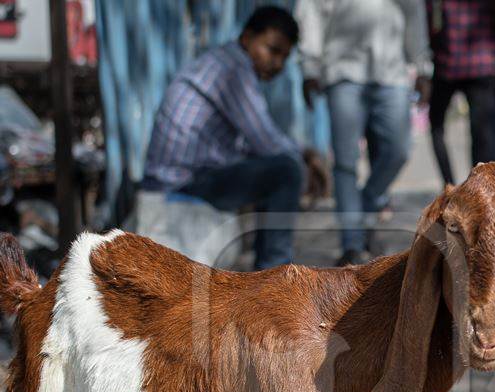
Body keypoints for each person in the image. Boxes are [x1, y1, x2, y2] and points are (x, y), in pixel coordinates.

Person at [142, 7, 327, 270]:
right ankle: (275, 277)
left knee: (279, 166)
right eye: (272, 50)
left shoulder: (224, 62)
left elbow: (255, 142)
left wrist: (304, 153)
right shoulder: (233, 70)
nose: (277, 64)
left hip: (187, 177)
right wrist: (306, 161)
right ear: (247, 37)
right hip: (182, 183)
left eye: (284, 57)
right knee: (286, 171)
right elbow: (266, 140)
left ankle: (268, 271)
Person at [296, 0, 430, 266]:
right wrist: (309, 68)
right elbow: (311, 11)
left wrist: (423, 66)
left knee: (399, 150)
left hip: (392, 73)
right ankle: (352, 245)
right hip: (343, 72)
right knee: (345, 164)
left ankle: (363, 209)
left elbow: (414, 12)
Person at [426, 0, 495, 185]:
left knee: (436, 126)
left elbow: (430, 18)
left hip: (446, 64)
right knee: (482, 133)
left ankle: (449, 186)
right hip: (481, 65)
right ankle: (478, 189)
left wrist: (435, 47)